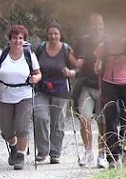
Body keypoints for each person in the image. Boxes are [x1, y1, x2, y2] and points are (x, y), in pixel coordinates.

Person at [0, 25, 41, 170]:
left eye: (21, 38)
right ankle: (14, 147)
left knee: (22, 127)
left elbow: (38, 73)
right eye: (15, 38)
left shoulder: (29, 54)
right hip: (4, 95)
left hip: (24, 95)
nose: (18, 41)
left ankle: (21, 156)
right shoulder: (2, 54)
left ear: (24, 40)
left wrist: (35, 79)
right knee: (6, 131)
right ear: (10, 39)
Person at [94, 22, 126, 169]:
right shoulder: (104, 46)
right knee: (111, 120)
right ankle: (113, 157)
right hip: (109, 85)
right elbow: (97, 67)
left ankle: (124, 150)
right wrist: (97, 66)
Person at [34, 22, 80, 164]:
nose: (53, 36)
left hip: (60, 89)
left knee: (57, 122)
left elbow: (77, 67)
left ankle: (55, 152)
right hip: (41, 88)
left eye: (56, 33)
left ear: (60, 35)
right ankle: (42, 151)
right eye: (50, 33)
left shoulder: (66, 49)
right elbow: (33, 65)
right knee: (40, 118)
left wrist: (70, 72)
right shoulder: (41, 48)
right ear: (47, 35)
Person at [74, 13, 107, 168]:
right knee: (85, 120)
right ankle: (88, 152)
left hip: (105, 85)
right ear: (89, 25)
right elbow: (72, 56)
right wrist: (75, 68)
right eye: (94, 24)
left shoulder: (108, 41)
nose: (97, 27)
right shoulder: (83, 41)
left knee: (103, 122)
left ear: (103, 24)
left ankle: (102, 154)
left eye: (100, 24)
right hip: (86, 85)